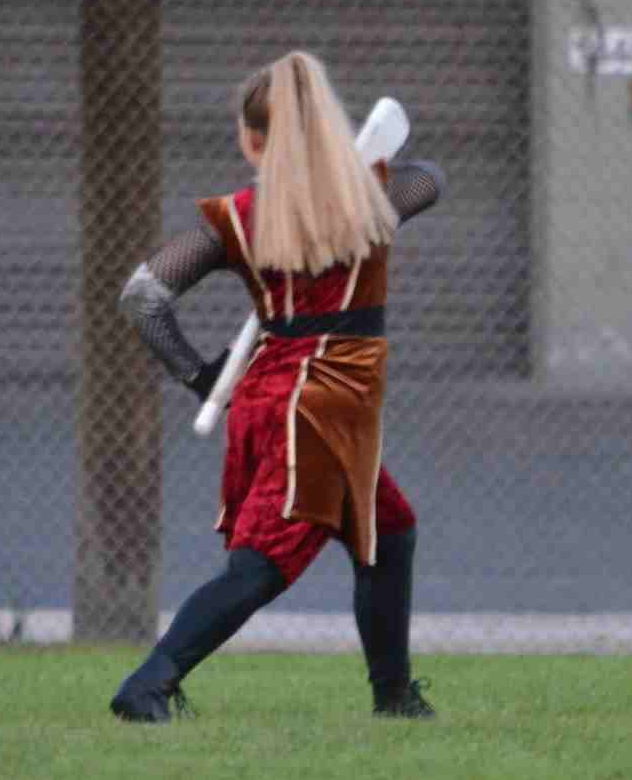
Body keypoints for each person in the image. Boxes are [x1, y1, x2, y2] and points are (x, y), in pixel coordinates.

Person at [110, 50, 446, 723]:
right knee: (261, 564)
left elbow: (143, 297)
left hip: (296, 400)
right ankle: (147, 685)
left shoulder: (244, 215)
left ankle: (393, 698)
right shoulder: (375, 197)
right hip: (317, 410)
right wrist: (351, 168)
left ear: (254, 139)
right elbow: (432, 177)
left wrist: (200, 376)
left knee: (390, 532)